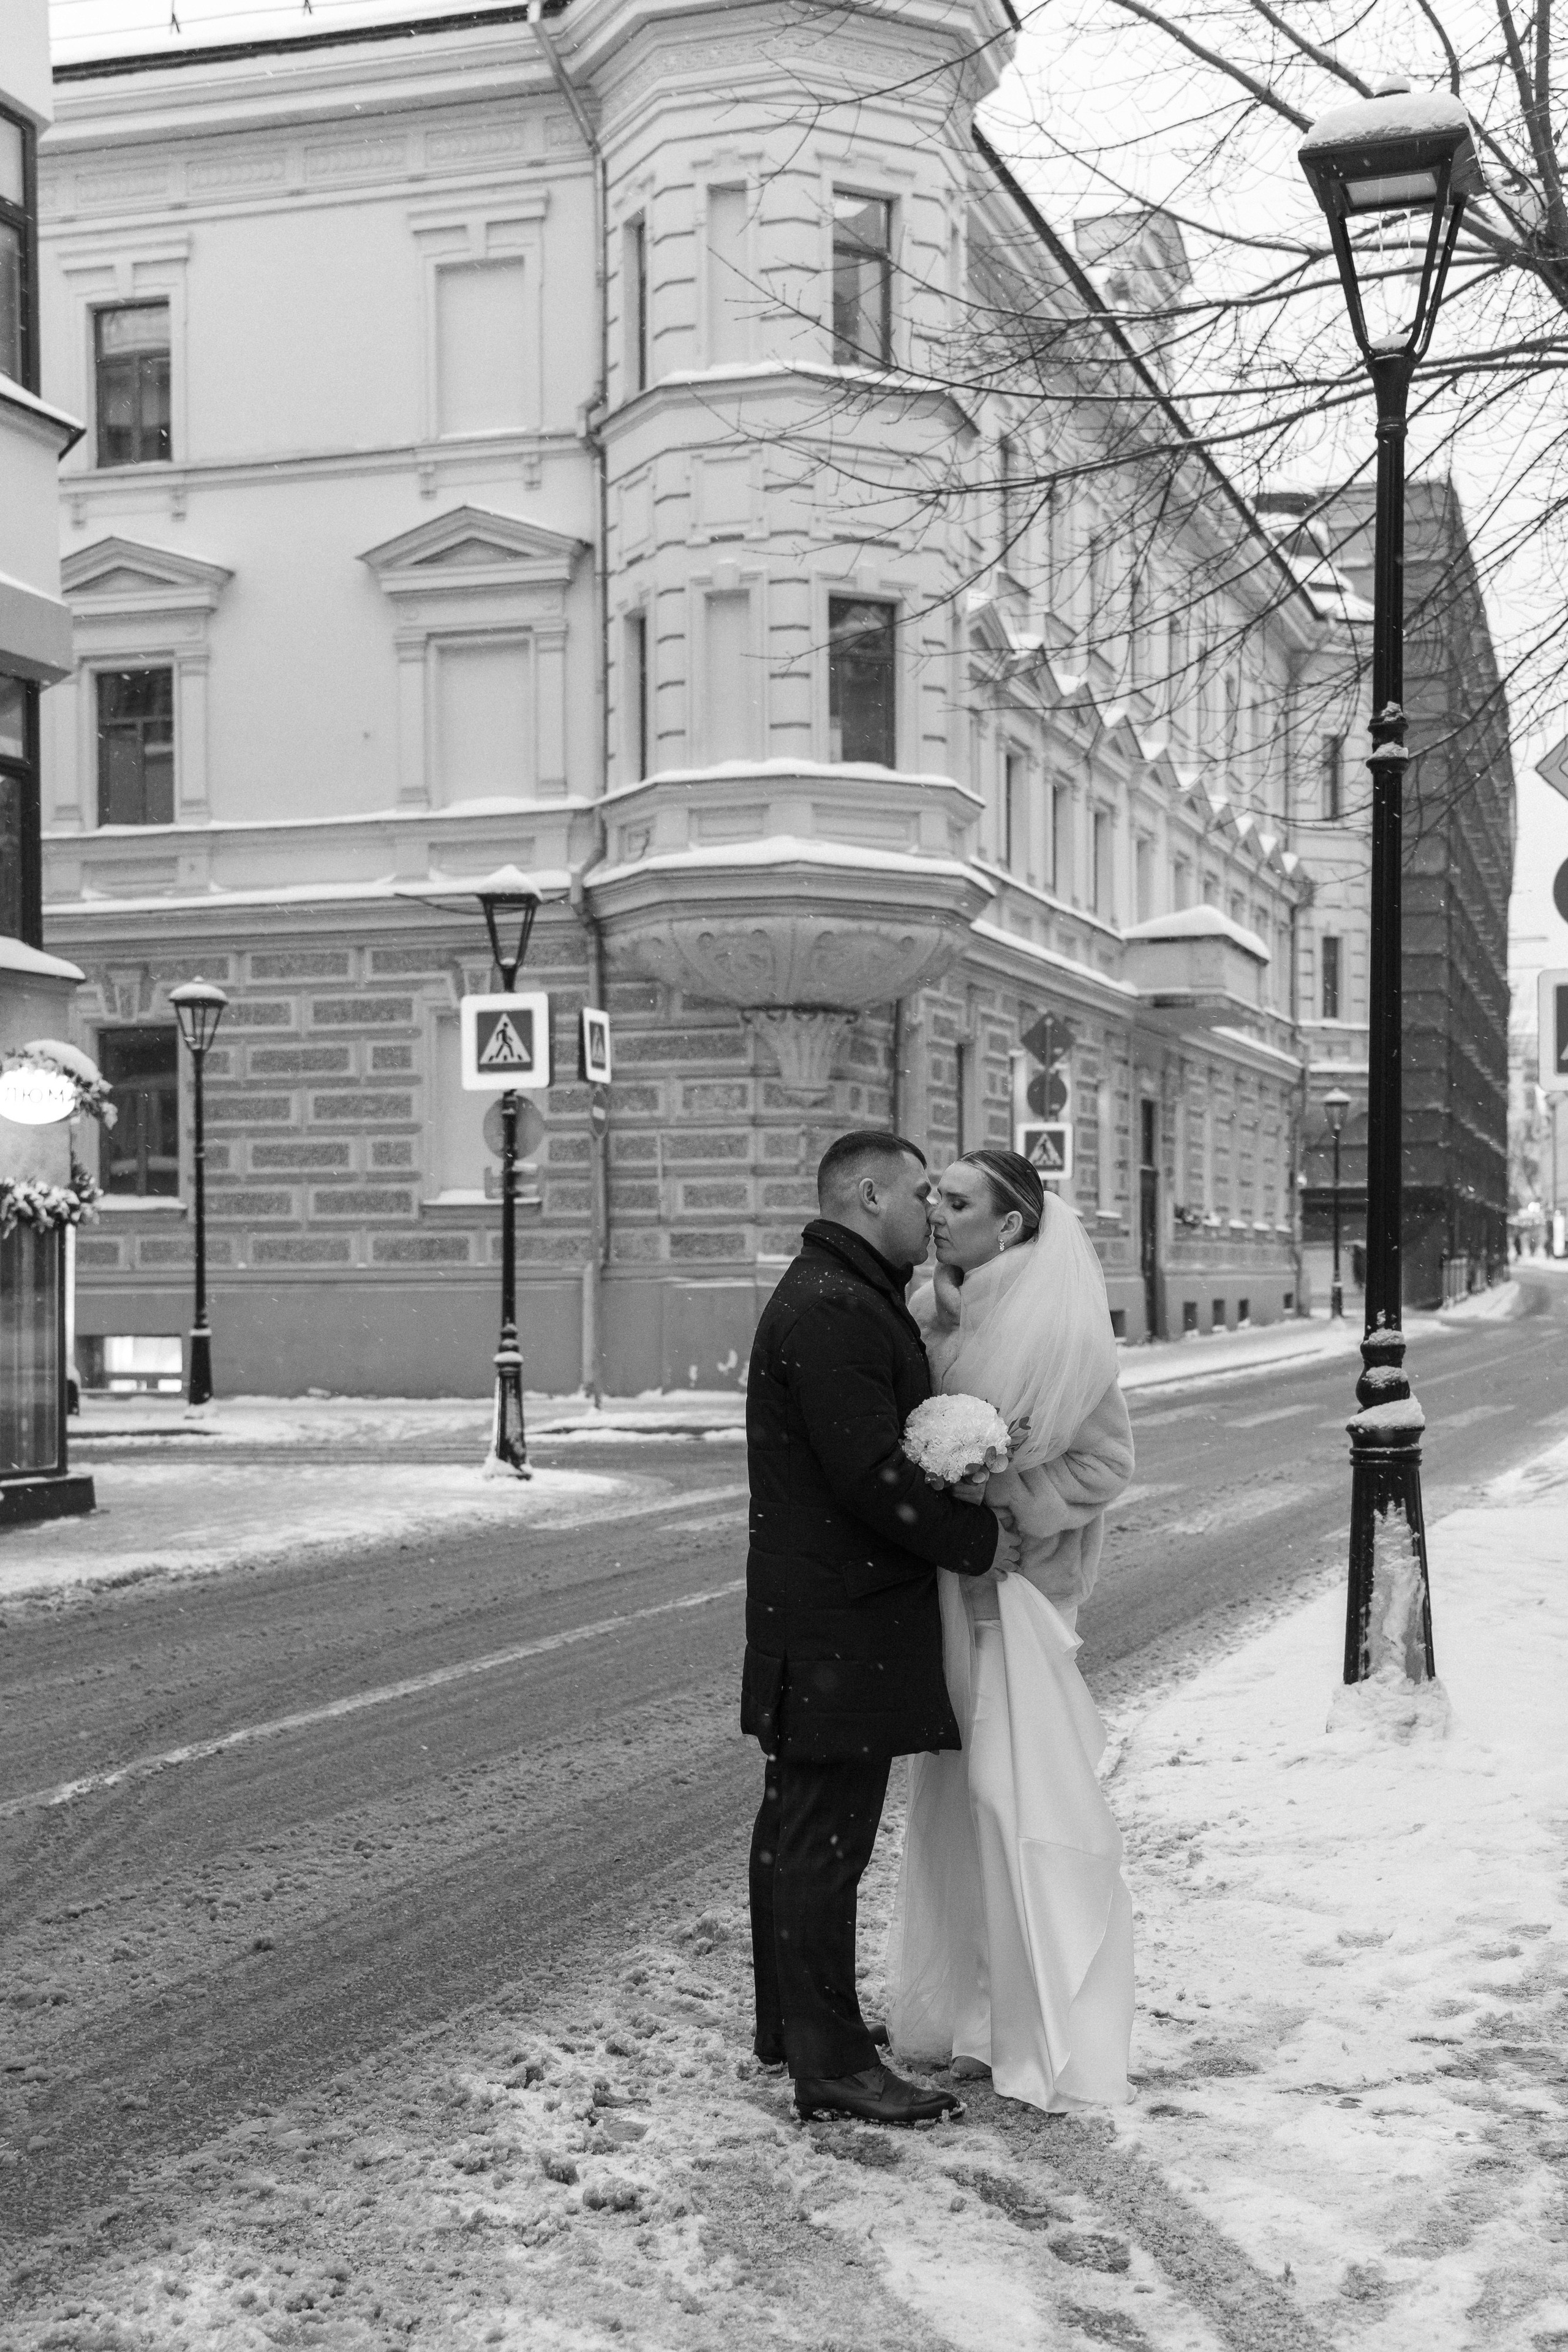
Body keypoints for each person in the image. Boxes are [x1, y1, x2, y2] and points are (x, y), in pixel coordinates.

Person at [742, 1129, 1019, 2126]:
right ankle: (835, 2068)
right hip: (838, 1622)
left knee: (795, 1834)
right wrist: (976, 1538)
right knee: (823, 1844)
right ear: (868, 1195)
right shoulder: (835, 1310)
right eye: (918, 1196)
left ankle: (791, 2028)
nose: (931, 1215)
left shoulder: (836, 1292)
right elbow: (869, 1478)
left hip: (815, 1615)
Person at [886, 1148, 1137, 2111]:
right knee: (953, 1799)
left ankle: (1026, 2016)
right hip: (946, 1595)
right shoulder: (928, 1312)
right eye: (936, 1199)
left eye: (957, 1202)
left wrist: (1003, 1497)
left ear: (1015, 1224)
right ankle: (963, 2012)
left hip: (1022, 1600)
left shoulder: (1064, 1323)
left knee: (1013, 1795)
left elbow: (1106, 1465)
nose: (937, 1214)